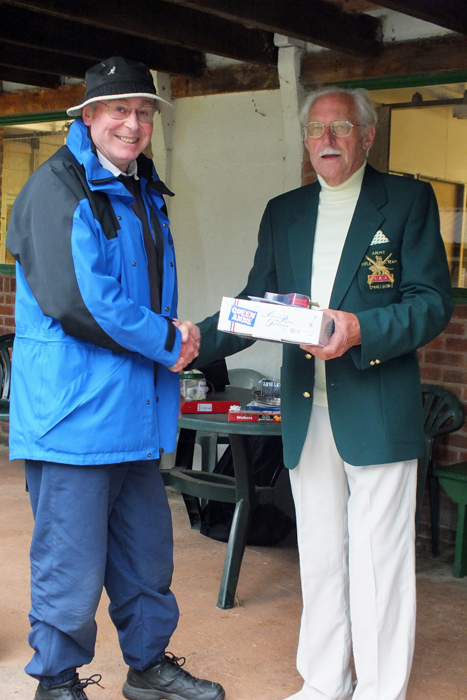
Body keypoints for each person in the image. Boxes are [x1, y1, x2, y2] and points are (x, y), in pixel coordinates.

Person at [194, 87, 454, 700]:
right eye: (316, 129)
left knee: (378, 560)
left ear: (367, 137)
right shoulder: (284, 210)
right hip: (306, 411)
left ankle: (380, 688)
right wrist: (192, 342)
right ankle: (325, 681)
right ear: (305, 141)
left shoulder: (408, 201)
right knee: (319, 552)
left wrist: (360, 328)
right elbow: (258, 305)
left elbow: (431, 302)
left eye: (341, 127)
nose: (327, 139)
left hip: (377, 403)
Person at [6, 57, 223, 700]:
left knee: (146, 557)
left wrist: (170, 339)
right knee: (69, 564)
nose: (133, 124)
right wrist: (168, 341)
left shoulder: (140, 189)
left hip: (131, 412)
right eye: (119, 111)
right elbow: (82, 301)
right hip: (74, 417)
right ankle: (57, 680)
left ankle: (148, 668)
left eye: (144, 112)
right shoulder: (57, 191)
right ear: (90, 117)